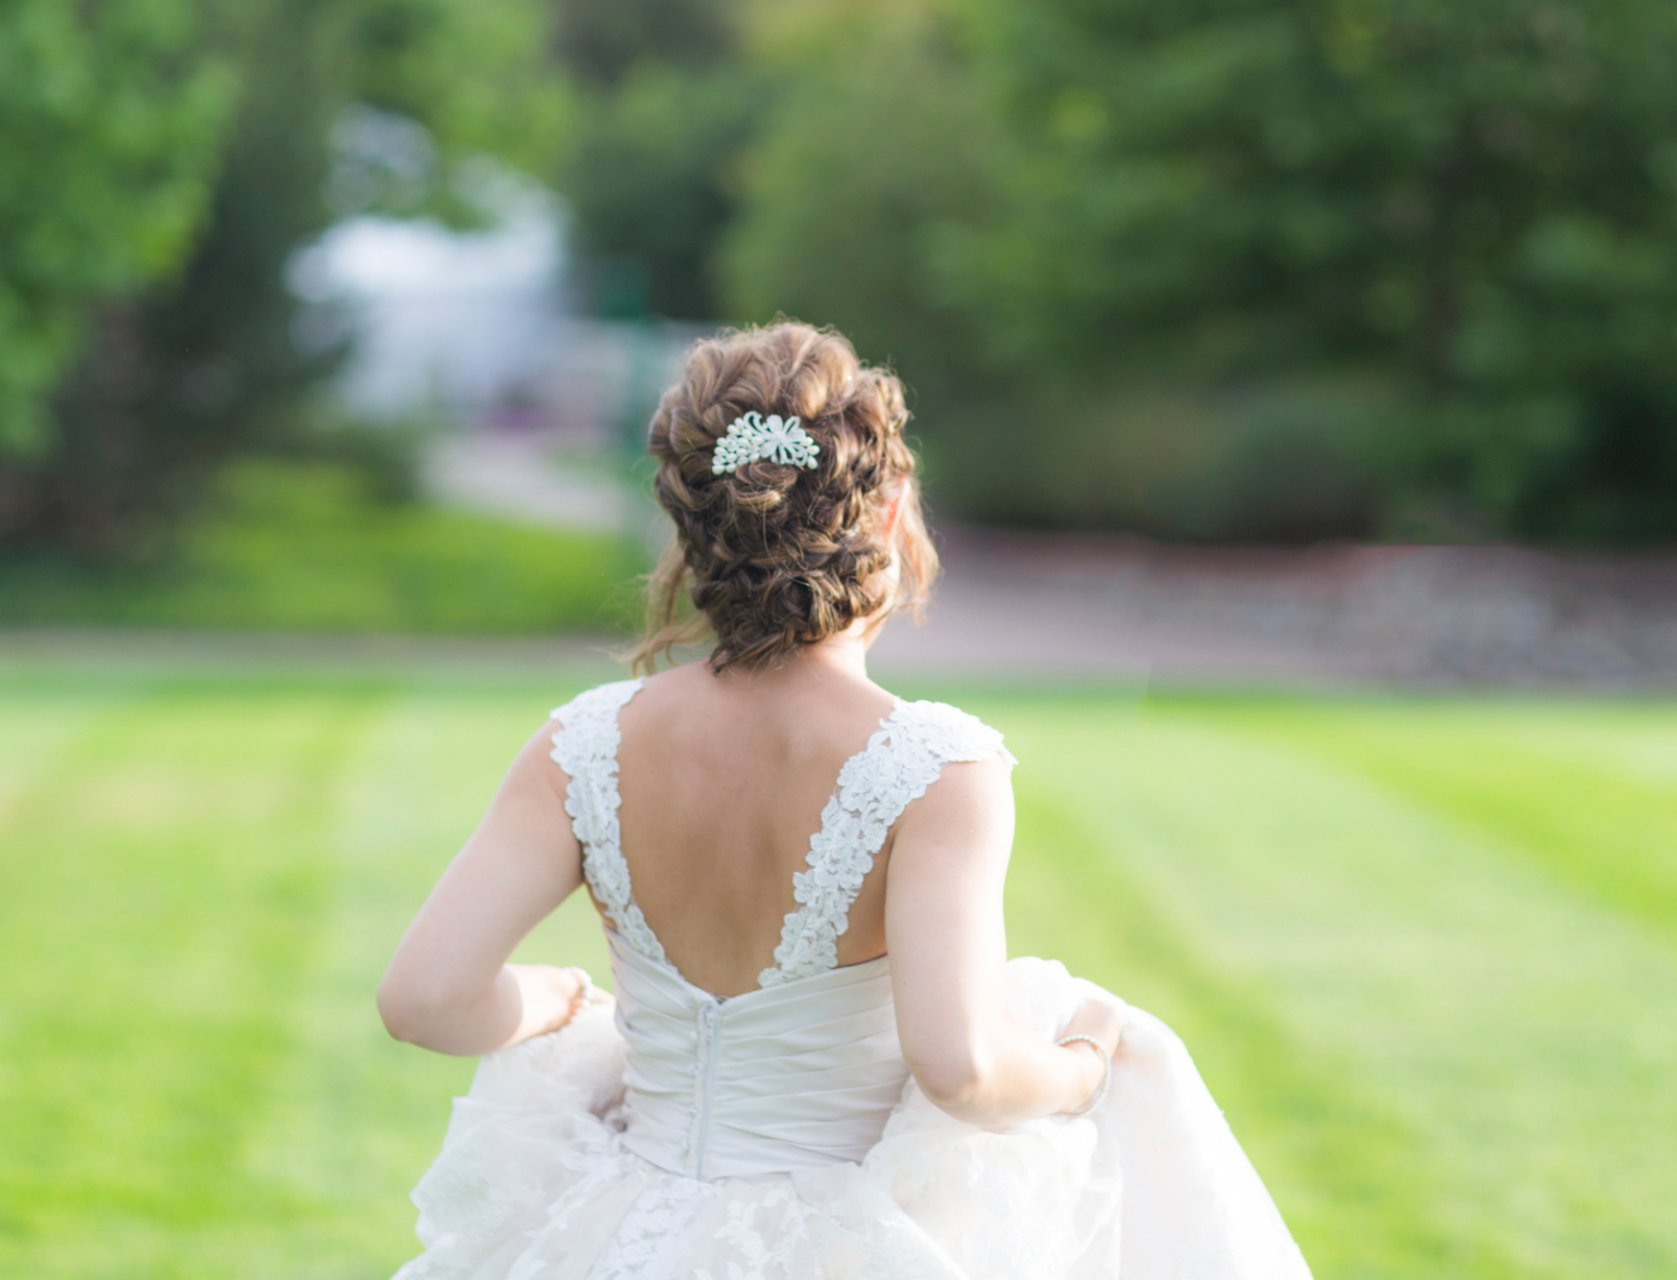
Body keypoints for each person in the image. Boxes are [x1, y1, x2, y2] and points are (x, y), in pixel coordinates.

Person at [376, 321, 1315, 1278]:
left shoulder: (581, 746)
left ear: (694, 530)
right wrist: (1085, 1066)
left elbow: (424, 1000)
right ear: (892, 505)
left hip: (621, 1235)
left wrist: (554, 998)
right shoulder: (933, 767)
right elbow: (964, 1069)